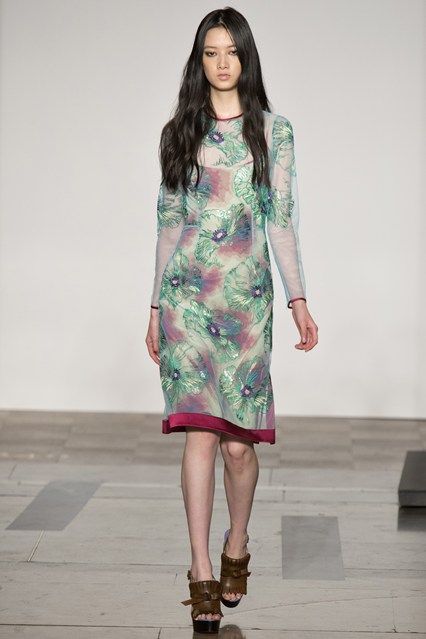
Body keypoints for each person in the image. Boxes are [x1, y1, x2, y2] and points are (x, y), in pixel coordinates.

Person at [145, 6, 318, 634]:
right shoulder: (179, 132)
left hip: (246, 306)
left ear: (247, 57)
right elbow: (168, 225)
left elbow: (281, 221)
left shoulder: (274, 132)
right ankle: (200, 571)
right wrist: (155, 306)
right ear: (200, 61)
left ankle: (236, 543)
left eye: (232, 51)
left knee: (239, 447)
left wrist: (298, 299)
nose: (222, 63)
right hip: (187, 300)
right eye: (211, 52)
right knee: (199, 435)